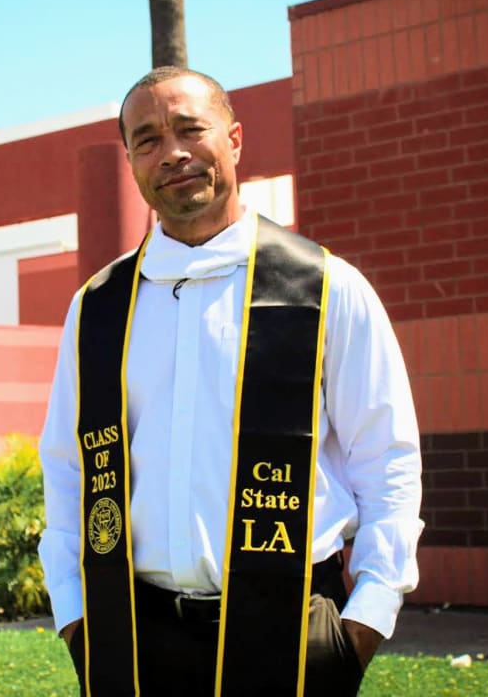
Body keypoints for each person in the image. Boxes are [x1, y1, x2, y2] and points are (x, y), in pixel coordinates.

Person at [38, 67, 423, 696]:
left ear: (236, 139)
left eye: (191, 129)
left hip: (292, 631)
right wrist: (75, 616)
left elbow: (387, 460)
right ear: (133, 161)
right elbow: (66, 467)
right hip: (132, 637)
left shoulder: (326, 288)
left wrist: (366, 620)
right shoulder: (99, 305)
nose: (173, 154)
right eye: (147, 140)